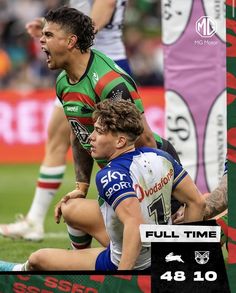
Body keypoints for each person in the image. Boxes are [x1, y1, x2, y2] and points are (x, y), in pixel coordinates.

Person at [0, 4, 181, 242]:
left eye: (48, 35)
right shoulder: (64, 81)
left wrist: (154, 195)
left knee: (157, 243)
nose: (40, 42)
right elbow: (78, 132)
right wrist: (82, 187)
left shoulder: (108, 83)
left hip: (152, 170)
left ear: (71, 41)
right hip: (121, 177)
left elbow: (145, 140)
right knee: (71, 210)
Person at [0, 99, 205, 271]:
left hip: (129, 261)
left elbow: (134, 224)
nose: (90, 137)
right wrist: (182, 258)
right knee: (70, 208)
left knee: (37, 259)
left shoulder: (110, 175)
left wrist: (122, 280)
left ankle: (16, 270)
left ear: (119, 141)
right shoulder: (161, 156)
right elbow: (197, 202)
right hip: (163, 253)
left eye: (98, 131)